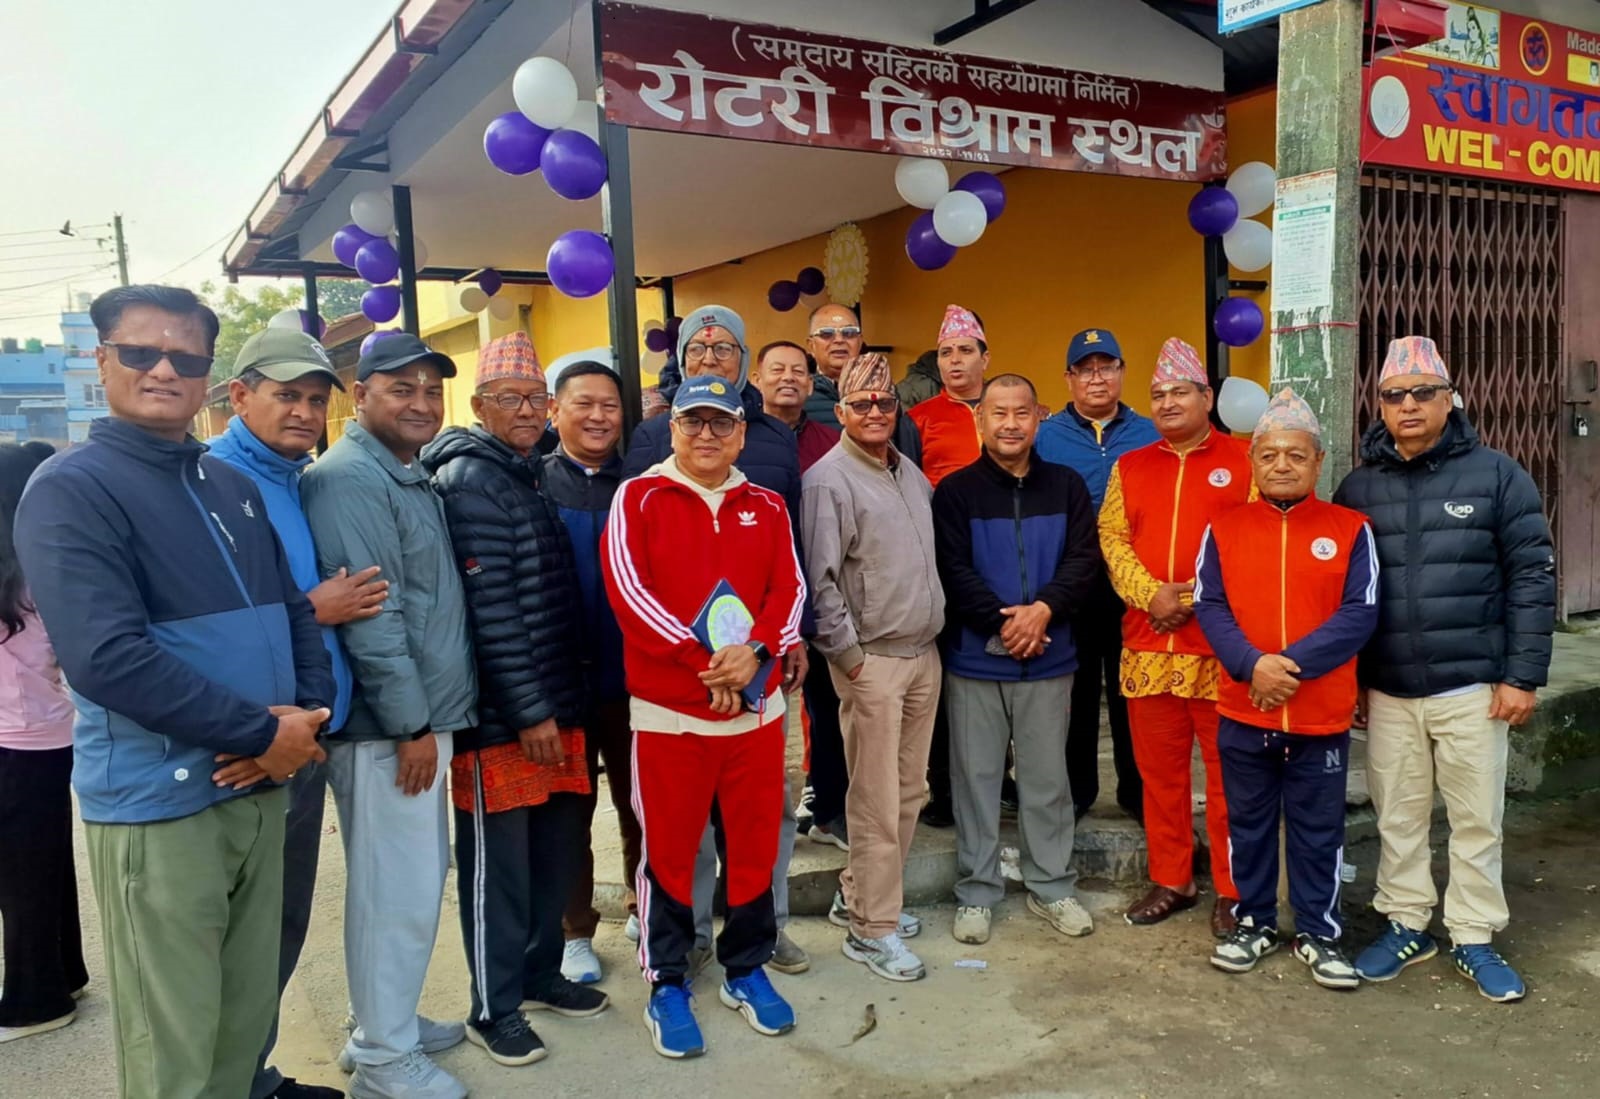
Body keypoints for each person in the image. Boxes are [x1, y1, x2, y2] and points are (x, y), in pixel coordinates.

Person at [13, 285, 332, 1098]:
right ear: (101, 359)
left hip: (261, 789)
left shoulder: (232, 487)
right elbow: (106, 658)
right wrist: (264, 734)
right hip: (163, 805)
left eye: (185, 358)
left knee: (240, 1025)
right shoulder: (70, 489)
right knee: (175, 1054)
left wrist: (305, 723)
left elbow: (295, 613)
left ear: (206, 376)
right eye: (140, 352)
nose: (163, 370)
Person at [1333, 336, 1555, 1003]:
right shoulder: (1358, 485)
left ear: (1449, 398)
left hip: (1473, 686)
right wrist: (1353, 681)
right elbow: (1345, 592)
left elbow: (1532, 575)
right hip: (1390, 688)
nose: (1407, 406)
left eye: (1422, 393)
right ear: (1380, 404)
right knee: (1398, 814)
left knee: (1475, 817)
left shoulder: (1496, 474)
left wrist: (1523, 675)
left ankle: (1474, 932)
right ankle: (1406, 923)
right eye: (1394, 395)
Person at [602, 374, 806, 1059]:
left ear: (742, 433)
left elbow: (790, 588)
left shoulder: (769, 504)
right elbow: (631, 593)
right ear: (674, 428)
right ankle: (666, 979)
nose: (708, 435)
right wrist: (706, 661)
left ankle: (745, 969)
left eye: (722, 423)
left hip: (755, 711)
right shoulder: (639, 497)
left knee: (752, 848)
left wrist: (753, 654)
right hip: (671, 715)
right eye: (694, 422)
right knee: (669, 851)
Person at [421, 331, 609, 1068]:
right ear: (478, 405)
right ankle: (492, 1006)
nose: (527, 410)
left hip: (554, 708)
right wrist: (530, 710)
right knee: (498, 869)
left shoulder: (522, 472)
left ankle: (537, 975)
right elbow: (489, 607)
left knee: (552, 854)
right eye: (511, 398)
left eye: (535, 397)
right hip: (506, 720)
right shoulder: (471, 477)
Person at [301, 334, 476, 1099]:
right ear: (360, 393)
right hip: (388, 727)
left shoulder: (403, 472)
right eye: (401, 388)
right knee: (393, 886)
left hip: (417, 716)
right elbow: (375, 614)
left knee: (406, 878)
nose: (421, 403)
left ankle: (386, 1019)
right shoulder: (348, 480)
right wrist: (409, 725)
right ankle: (382, 1055)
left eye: (432, 390)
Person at [209, 328, 380, 1099]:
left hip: (306, 734)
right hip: (252, 743)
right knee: (238, 933)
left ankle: (253, 1071)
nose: (306, 412)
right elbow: (218, 623)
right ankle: (231, 1079)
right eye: (287, 395)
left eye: (316, 399)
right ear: (238, 396)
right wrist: (318, 608)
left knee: (278, 923)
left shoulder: (294, 477)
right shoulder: (214, 480)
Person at [1193, 389, 1380, 989]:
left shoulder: (1351, 530)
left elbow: (1361, 614)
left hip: (1319, 713)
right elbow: (1210, 606)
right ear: (1253, 461)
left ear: (1318, 463)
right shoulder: (1223, 529)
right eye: (1269, 454)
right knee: (1245, 823)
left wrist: (1285, 668)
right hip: (1244, 708)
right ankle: (1252, 923)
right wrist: (1253, 667)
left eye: (1295, 456)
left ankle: (1319, 932)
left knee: (1318, 829)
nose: (1281, 465)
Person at [932, 375, 1100, 946]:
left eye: (1021, 413)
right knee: (975, 781)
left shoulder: (1068, 486)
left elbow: (1084, 560)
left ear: (1038, 417)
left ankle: (1052, 885)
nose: (1010, 423)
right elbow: (952, 571)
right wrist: (1006, 625)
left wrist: (1043, 611)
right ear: (980, 421)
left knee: (1047, 779)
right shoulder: (955, 494)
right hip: (976, 660)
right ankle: (977, 891)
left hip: (1050, 658)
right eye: (998, 413)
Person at [1099, 337, 1250, 936]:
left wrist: (1186, 598)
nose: (1166, 402)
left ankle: (1236, 888)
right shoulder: (1130, 465)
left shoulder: (1246, 460)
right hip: (1145, 642)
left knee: (1228, 774)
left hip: (1219, 645)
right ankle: (1173, 878)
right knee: (1157, 774)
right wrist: (1149, 595)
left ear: (1206, 398)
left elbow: (1256, 541)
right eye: (1158, 393)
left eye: (1179, 391)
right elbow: (1112, 539)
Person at [802, 353, 944, 982]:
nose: (876, 413)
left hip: (922, 655)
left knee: (909, 791)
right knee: (876, 799)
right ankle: (872, 930)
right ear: (840, 412)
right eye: (862, 404)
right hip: (874, 663)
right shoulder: (828, 480)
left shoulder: (907, 471)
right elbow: (822, 580)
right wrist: (851, 660)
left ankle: (859, 896)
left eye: (886, 403)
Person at [542, 360, 645, 978]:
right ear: (556, 412)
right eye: (584, 404)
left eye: (610, 405)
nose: (599, 417)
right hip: (563, 679)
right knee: (568, 812)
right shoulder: (533, 484)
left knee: (641, 802)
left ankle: (643, 902)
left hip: (634, 675)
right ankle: (575, 930)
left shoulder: (638, 486)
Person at [1036, 328, 1158, 821]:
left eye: (1106, 366)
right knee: (1077, 694)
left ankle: (1137, 791)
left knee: (1134, 691)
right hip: (1074, 585)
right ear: (1069, 379)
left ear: (1122, 372)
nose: (1097, 378)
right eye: (1085, 369)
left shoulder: (1150, 433)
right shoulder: (1045, 436)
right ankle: (1077, 793)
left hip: (1136, 586)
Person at [0, 442, 86, 1046]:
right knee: (46, 863)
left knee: (21, 875)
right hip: (49, 736)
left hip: (13, 740)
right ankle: (66, 973)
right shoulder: (41, 565)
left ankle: (37, 1000)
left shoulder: (14, 575)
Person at [753, 339, 851, 861]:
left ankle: (830, 809)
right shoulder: (741, 434)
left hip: (822, 589)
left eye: (798, 371)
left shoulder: (832, 440)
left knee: (827, 705)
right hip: (754, 599)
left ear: (812, 385)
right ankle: (761, 828)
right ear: (757, 377)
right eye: (777, 369)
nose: (788, 378)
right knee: (759, 711)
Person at [803, 303, 922, 465]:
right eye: (826, 334)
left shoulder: (887, 392)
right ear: (811, 345)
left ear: (860, 342)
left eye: (849, 333)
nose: (839, 340)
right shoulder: (801, 396)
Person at [907, 304, 989, 490]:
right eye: (945, 353)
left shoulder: (1008, 410)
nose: (955, 360)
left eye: (965, 350)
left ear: (984, 360)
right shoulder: (917, 419)